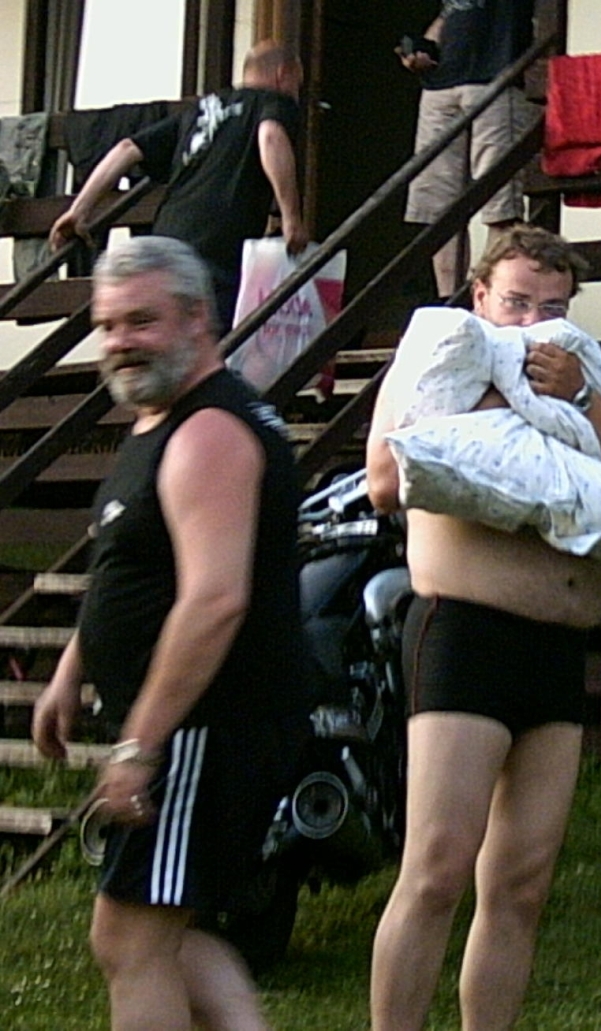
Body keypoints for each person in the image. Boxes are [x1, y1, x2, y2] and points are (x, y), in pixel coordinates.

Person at [366, 224, 601, 1030]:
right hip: (465, 631)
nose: (534, 321)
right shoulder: (443, 354)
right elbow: (383, 480)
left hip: (557, 646)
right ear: (480, 296)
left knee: (521, 885)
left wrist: (581, 399)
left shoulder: (583, 371)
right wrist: (495, 411)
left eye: (553, 306)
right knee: (436, 868)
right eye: (517, 302)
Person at [31, 235, 306, 1031]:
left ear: (197, 318)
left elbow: (213, 600)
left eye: (141, 321)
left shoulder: (209, 433)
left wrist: (138, 746)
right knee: (167, 934)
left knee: (129, 938)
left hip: (205, 726)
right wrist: (72, 669)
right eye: (108, 325)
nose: (120, 341)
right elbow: (133, 564)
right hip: (191, 728)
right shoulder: (164, 421)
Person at [49, 40, 309, 335]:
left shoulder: (201, 108)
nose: (297, 93)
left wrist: (79, 211)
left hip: (166, 240)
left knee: (165, 335)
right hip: (218, 248)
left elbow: (127, 148)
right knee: (210, 340)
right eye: (297, 84)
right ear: (283, 73)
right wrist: (291, 218)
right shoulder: (274, 102)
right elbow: (271, 136)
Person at [399, 1, 535, 300]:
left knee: (500, 204)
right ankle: (451, 302)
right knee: (439, 208)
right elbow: (450, 11)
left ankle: (490, 300)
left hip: (497, 78)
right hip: (439, 86)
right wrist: (423, 48)